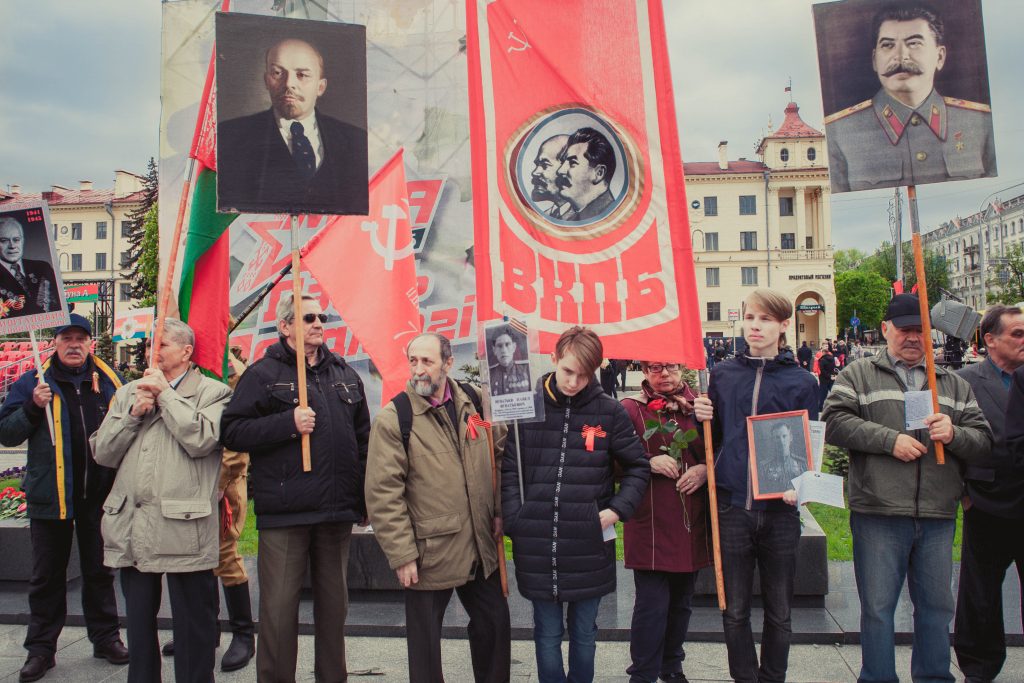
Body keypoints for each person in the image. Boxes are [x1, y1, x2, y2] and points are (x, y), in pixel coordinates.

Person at [821, 293, 992, 683]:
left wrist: (955, 434)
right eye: (905, 330)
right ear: (886, 330)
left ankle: (934, 677)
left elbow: (983, 440)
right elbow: (834, 422)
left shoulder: (953, 383)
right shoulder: (859, 375)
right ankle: (878, 678)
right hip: (879, 512)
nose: (913, 337)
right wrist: (888, 440)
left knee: (935, 608)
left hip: (936, 513)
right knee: (878, 609)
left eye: (921, 330)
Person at [221, 293, 369, 682]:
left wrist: (364, 498)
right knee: (279, 610)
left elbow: (364, 440)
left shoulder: (344, 374)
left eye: (320, 316)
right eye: (307, 317)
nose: (318, 322)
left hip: (336, 512)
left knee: (335, 609)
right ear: (285, 326)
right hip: (286, 514)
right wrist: (287, 422)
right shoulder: (262, 374)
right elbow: (232, 430)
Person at [502, 326, 649, 683]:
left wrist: (616, 511)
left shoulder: (610, 412)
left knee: (584, 634)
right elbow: (510, 468)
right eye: (568, 371)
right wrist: (514, 519)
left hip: (588, 543)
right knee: (547, 633)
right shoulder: (526, 405)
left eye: (585, 375)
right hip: (537, 541)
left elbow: (638, 467)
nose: (574, 382)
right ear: (553, 359)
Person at [92, 319, 232, 683]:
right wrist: (134, 414)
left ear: (186, 352)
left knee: (193, 629)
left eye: (163, 344)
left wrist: (166, 396)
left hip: (184, 526)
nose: (153, 350)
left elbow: (202, 439)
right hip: (132, 525)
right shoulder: (128, 393)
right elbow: (103, 452)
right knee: (138, 628)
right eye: (151, 342)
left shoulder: (214, 393)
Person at [366, 332, 511, 683]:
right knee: (426, 647)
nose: (418, 370)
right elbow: (383, 494)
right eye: (413, 361)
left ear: (448, 363)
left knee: (495, 629)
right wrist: (402, 554)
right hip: (429, 551)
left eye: (427, 361)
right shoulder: (394, 417)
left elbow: (501, 457)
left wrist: (501, 510)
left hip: (480, 543)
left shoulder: (475, 401)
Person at [693, 289, 819, 683]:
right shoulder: (724, 375)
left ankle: (772, 678)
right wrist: (702, 415)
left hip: (781, 509)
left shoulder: (803, 381)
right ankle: (744, 678)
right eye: (750, 318)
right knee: (734, 609)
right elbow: (712, 438)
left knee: (780, 611)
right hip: (732, 507)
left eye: (765, 319)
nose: (755, 326)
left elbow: (810, 442)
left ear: (783, 326)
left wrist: (803, 485)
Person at [0, 314, 127, 683]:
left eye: (80, 338)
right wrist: (31, 408)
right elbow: (6, 434)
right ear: (54, 343)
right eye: (66, 338)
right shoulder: (33, 382)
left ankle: (106, 638)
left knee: (100, 573)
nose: (74, 344)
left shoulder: (110, 384)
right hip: (50, 495)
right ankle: (41, 649)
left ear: (91, 343)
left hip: (99, 495)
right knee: (46, 577)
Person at [825, 3, 996, 193]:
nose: (900, 57)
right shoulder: (839, 134)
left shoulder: (979, 124)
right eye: (888, 45)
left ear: (940, 57)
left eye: (914, 43)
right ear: (875, 60)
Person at [161, 349, 255, 672]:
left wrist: (218, 487)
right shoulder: (198, 368)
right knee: (197, 556)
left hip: (222, 484)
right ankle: (207, 630)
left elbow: (233, 439)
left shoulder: (230, 370)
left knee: (224, 554)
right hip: (191, 479)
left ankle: (243, 634)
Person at [620, 361, 709, 683]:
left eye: (670, 366)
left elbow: (726, 449)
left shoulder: (701, 406)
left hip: (691, 519)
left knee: (682, 601)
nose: (664, 375)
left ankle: (672, 666)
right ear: (644, 370)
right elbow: (609, 459)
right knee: (651, 605)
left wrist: (705, 469)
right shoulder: (630, 410)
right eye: (655, 368)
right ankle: (642, 672)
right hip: (649, 521)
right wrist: (646, 461)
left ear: (682, 367)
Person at [953, 305, 1024, 681]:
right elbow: (952, 442)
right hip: (986, 503)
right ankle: (978, 669)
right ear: (990, 340)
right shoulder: (965, 380)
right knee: (979, 596)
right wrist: (965, 493)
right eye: (1017, 334)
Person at [217, 37, 368, 215]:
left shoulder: (356, 140)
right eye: (278, 73)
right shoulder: (229, 138)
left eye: (302, 75)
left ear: (320, 87)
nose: (289, 84)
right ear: (266, 80)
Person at [0, 216, 59, 317]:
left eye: (16, 239)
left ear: (23, 241)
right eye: (4, 240)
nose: (12, 246)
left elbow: (56, 306)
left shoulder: (43, 268)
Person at [556, 127, 617, 222]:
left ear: (599, 173)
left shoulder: (610, 218)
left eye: (572, 163)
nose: (560, 171)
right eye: (563, 162)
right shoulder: (568, 218)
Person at [530, 133, 572, 218]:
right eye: (537, 164)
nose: (534, 172)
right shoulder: (544, 217)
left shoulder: (585, 217)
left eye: (545, 165)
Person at [489, 325, 531, 396]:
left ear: (514, 347)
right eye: (499, 346)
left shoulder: (527, 369)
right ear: (494, 350)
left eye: (507, 344)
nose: (504, 350)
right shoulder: (489, 374)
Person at [816, 345, 836, 410]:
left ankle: (820, 407)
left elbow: (822, 370)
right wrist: (831, 375)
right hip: (831, 378)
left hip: (824, 379)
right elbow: (833, 367)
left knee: (822, 394)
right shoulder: (832, 358)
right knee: (833, 392)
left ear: (823, 352)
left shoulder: (822, 360)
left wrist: (827, 375)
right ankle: (837, 405)